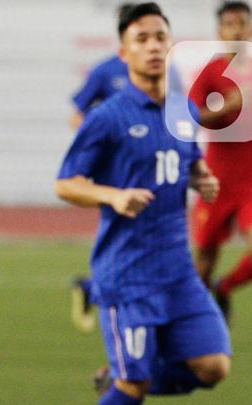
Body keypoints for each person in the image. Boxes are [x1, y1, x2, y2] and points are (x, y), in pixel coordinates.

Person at [55, 3, 230, 405]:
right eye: (142, 38)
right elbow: (66, 183)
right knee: (135, 385)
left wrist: (203, 178)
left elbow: (186, 163)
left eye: (160, 37)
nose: (153, 45)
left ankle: (124, 372)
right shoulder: (108, 117)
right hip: (126, 274)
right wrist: (111, 196)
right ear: (123, 51)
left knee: (214, 367)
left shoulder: (181, 111)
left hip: (178, 270)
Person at [67, 2, 183, 333]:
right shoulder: (105, 70)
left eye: (157, 34)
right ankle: (99, 292)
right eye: (139, 32)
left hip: (156, 166)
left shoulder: (166, 73)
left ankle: (91, 289)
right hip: (123, 172)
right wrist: (100, 144)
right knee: (122, 235)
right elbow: (77, 112)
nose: (150, 44)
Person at [189, 1, 252, 322]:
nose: (237, 30)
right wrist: (224, 107)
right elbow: (190, 119)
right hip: (216, 176)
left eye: (242, 23)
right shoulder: (209, 73)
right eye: (230, 24)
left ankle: (226, 287)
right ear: (220, 32)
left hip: (251, 177)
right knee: (203, 262)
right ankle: (198, 325)